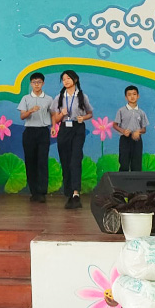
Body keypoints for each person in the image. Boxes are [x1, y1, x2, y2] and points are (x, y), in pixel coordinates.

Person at [51, 70, 93, 209]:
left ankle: (76, 193)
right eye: (63, 79)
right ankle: (69, 193)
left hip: (78, 128)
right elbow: (55, 117)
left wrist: (83, 118)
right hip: (64, 129)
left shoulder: (82, 96)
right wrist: (60, 116)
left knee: (75, 159)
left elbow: (90, 113)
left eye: (68, 78)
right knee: (65, 161)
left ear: (75, 80)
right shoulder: (59, 97)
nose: (66, 81)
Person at [18, 72, 54, 203]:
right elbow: (22, 116)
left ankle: (42, 192)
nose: (36, 85)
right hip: (29, 132)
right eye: (34, 82)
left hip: (43, 131)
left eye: (39, 82)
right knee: (30, 161)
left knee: (42, 161)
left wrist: (54, 126)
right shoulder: (26, 98)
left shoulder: (48, 99)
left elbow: (53, 114)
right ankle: (34, 192)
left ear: (43, 83)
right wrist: (30, 111)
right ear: (31, 84)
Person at [113, 86, 149, 172]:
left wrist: (138, 131)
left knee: (136, 165)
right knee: (124, 163)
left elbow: (144, 129)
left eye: (134, 94)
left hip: (137, 140)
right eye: (129, 95)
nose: (132, 97)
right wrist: (123, 131)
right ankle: (123, 180)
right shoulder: (121, 111)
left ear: (138, 96)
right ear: (126, 97)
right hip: (125, 139)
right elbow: (115, 125)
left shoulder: (141, 112)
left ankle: (136, 181)